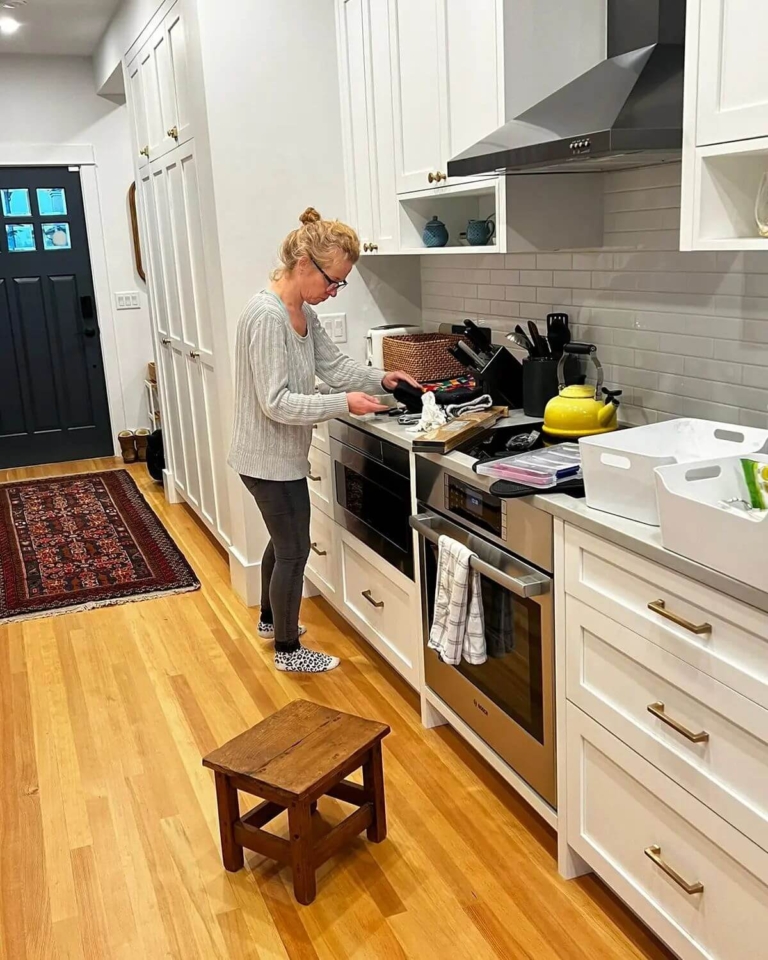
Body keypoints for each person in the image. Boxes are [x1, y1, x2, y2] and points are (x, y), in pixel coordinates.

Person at [228, 207, 420, 673]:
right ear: (302, 266)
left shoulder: (302, 315)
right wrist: (342, 404)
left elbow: (334, 369)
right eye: (332, 281)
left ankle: (272, 622)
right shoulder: (267, 316)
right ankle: (289, 651)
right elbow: (276, 402)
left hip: (280, 454)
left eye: (340, 284)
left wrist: (383, 379)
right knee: (294, 548)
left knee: (283, 540)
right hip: (266, 458)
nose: (333, 292)